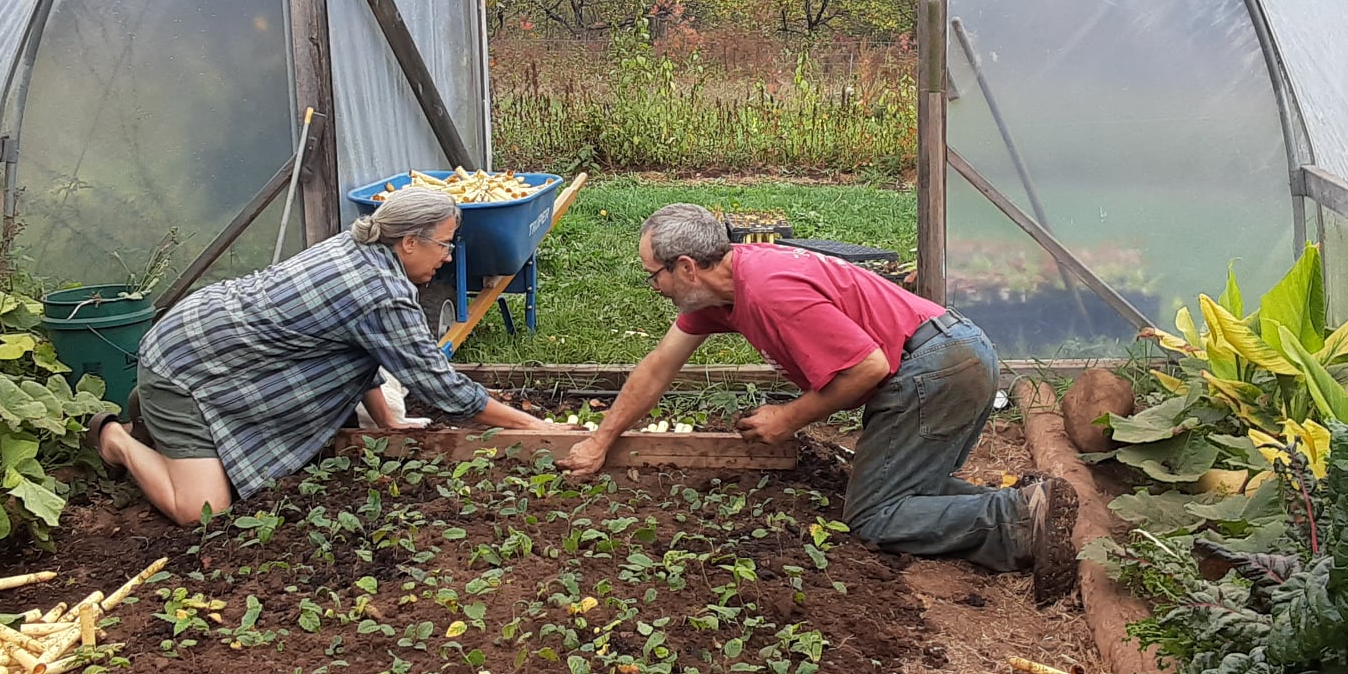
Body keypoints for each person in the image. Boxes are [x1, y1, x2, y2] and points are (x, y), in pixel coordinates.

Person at [562, 203, 1074, 588]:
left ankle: (1016, 522)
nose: (654, 286)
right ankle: (1030, 505)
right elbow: (657, 368)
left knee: (875, 516)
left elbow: (867, 368)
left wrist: (788, 418)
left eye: (654, 274)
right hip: (948, 353)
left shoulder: (771, 292)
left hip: (936, 368)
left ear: (687, 267)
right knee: (905, 490)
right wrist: (602, 439)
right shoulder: (724, 292)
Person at [88, 185, 560, 524]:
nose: (450, 256)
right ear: (410, 241)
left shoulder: (359, 245)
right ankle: (118, 439)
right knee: (204, 512)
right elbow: (442, 387)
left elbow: (363, 350)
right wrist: (534, 427)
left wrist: (389, 423)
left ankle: (163, 429)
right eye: (444, 243)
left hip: (220, 356)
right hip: (186, 366)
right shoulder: (379, 291)